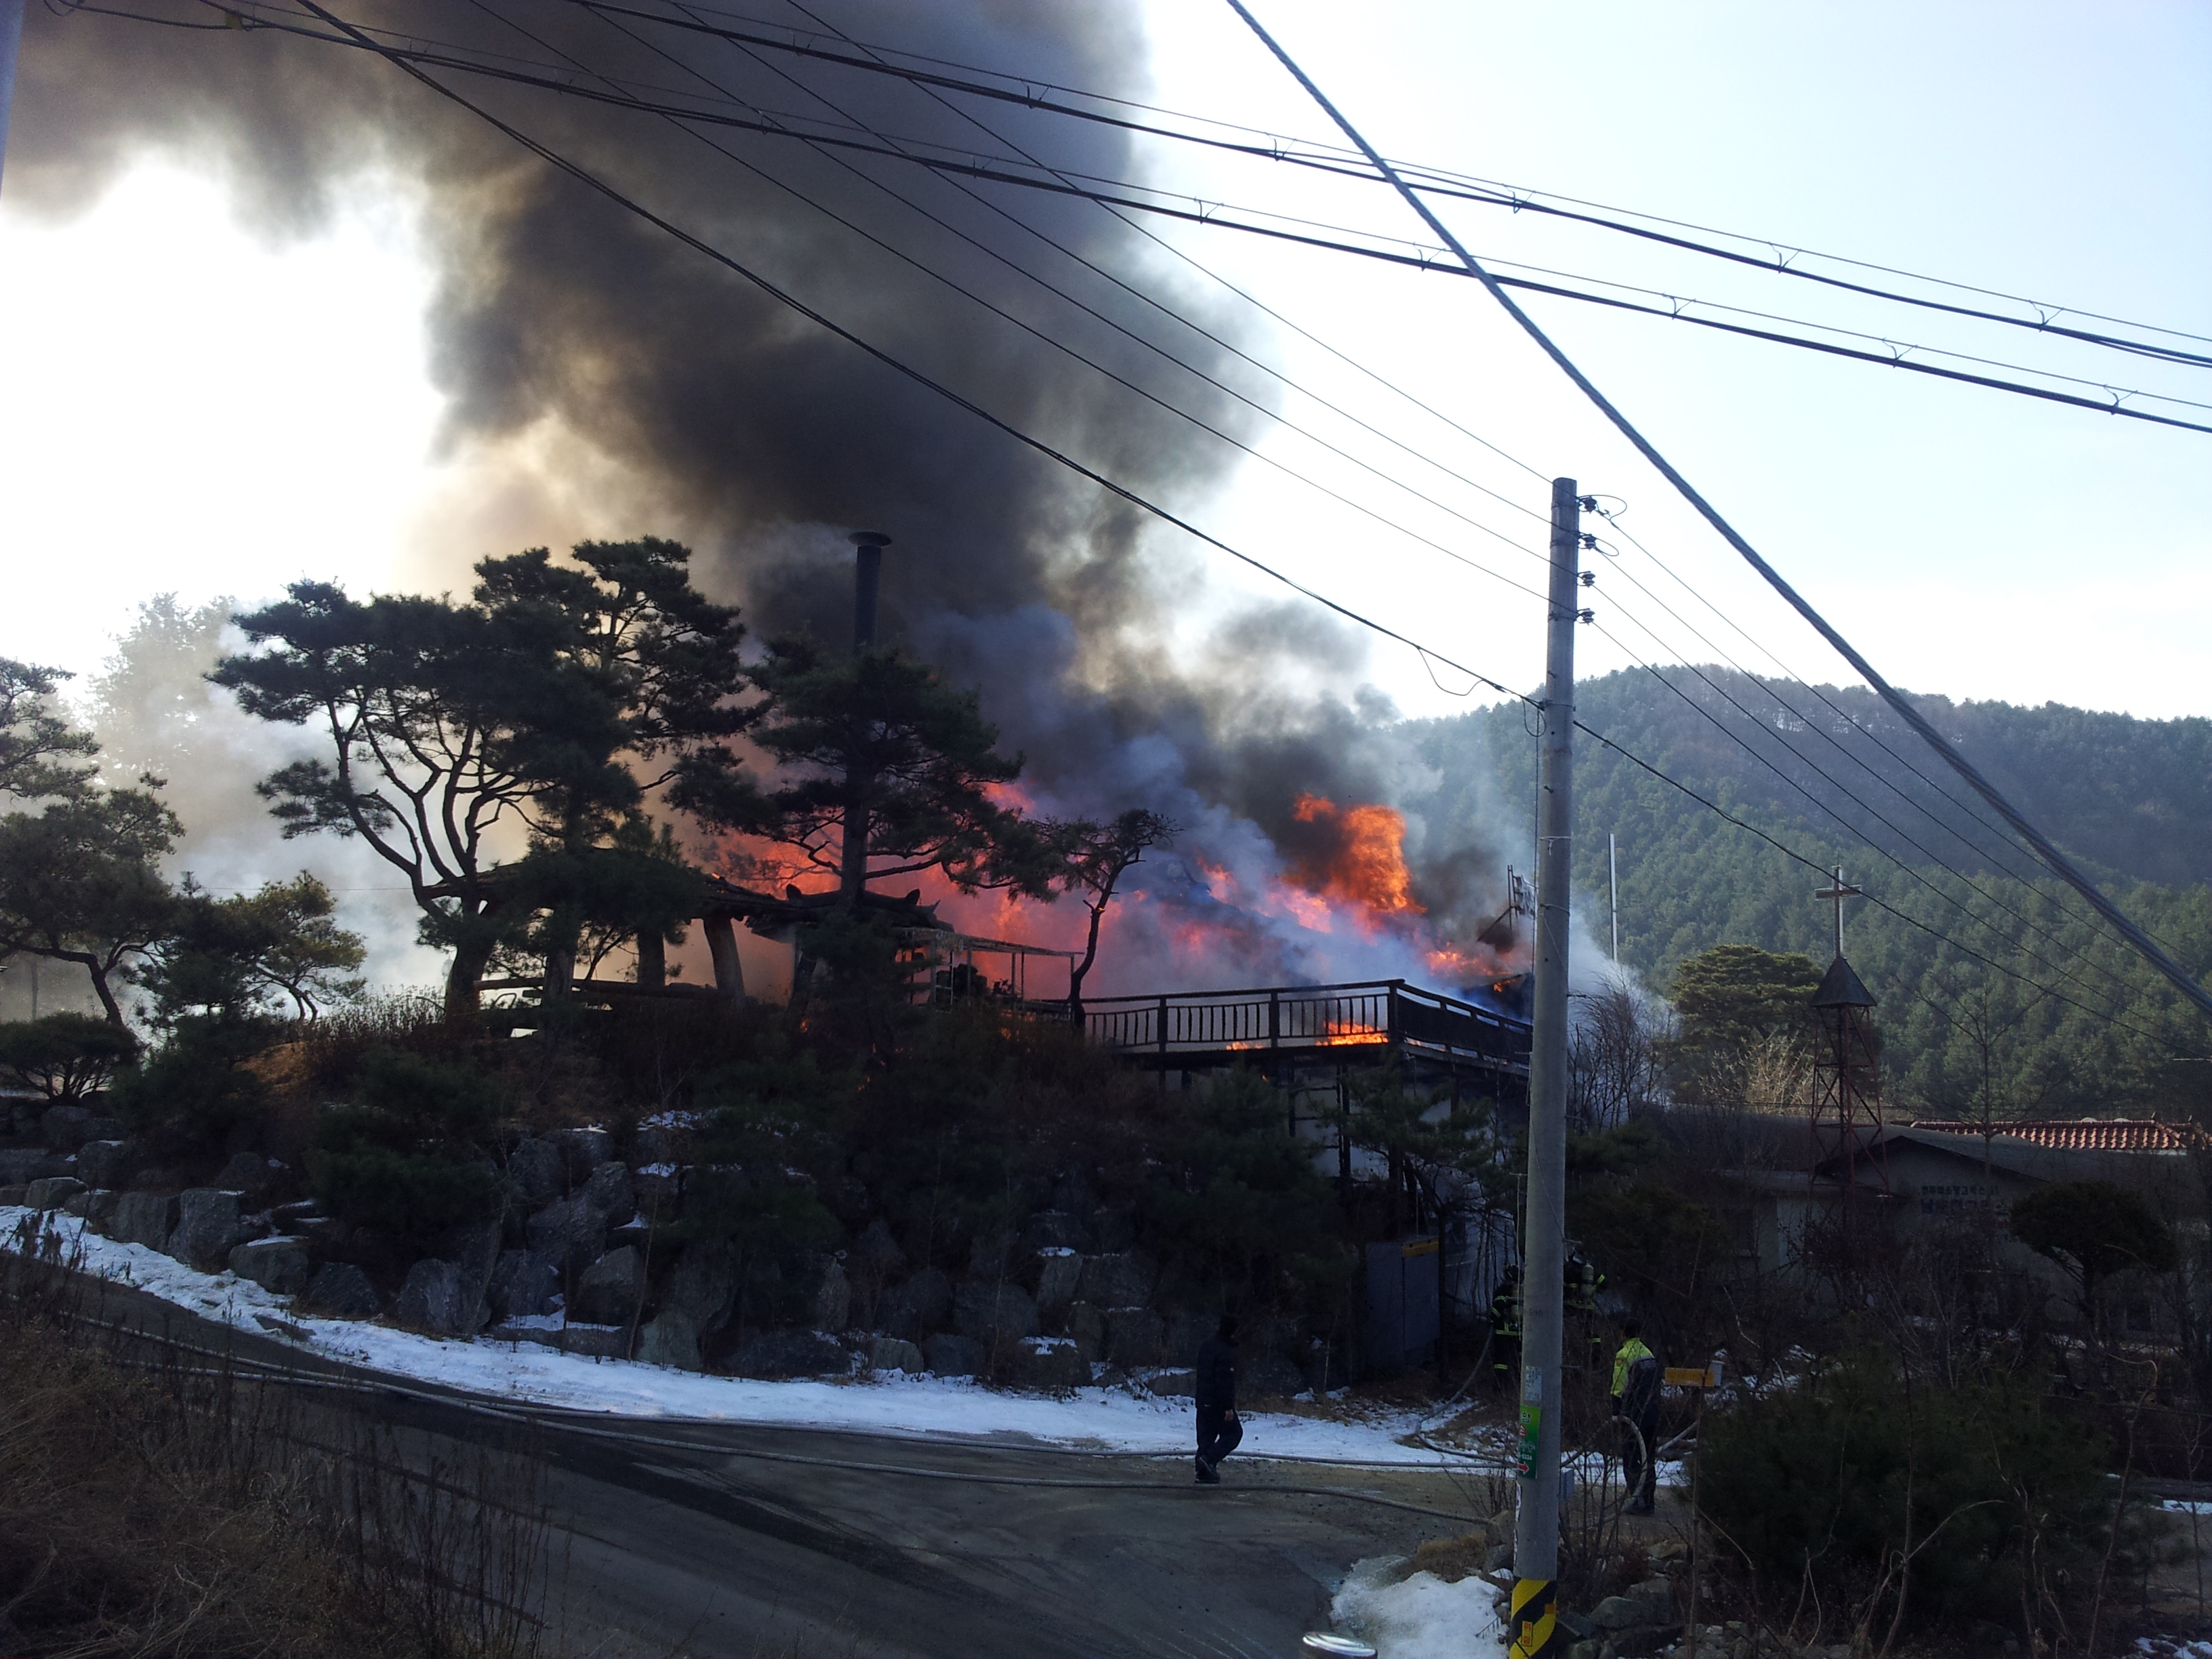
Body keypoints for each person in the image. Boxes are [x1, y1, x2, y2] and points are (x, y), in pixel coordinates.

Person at [1610, 1315, 1662, 1515]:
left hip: (1634, 1415)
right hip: (1652, 1413)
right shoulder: (1648, 1353)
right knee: (1649, 1459)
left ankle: (1637, 1500)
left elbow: (1619, 1386)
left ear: (1623, 1333)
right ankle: (1649, 1501)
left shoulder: (1624, 1355)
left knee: (1632, 1459)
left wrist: (1616, 1410)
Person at [1194, 1313, 1243, 1483]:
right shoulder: (1226, 1352)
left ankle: (1203, 1472)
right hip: (1217, 1403)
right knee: (1234, 1434)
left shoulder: (1207, 1346)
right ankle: (1208, 1460)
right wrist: (1228, 1407)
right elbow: (1224, 1382)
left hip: (1203, 1400)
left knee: (1206, 1437)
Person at [1489, 1265, 1522, 1393]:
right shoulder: (1523, 1290)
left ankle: (1500, 1388)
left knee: (1501, 1362)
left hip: (1503, 1331)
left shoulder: (1502, 1289)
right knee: (1518, 1359)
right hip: (1518, 1332)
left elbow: (1497, 1309)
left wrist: (1492, 1319)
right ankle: (1518, 1387)